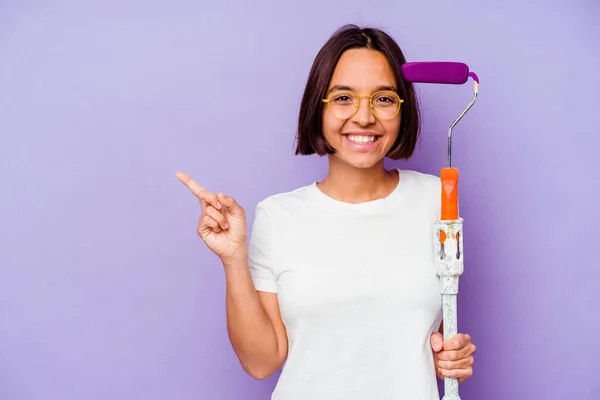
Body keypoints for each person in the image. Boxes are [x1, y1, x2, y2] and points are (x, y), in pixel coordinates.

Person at [176, 24, 476, 400]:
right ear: (318, 106)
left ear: (402, 109)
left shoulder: (437, 200)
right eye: (343, 98)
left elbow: (416, 337)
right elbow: (261, 362)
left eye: (383, 99)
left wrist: (449, 357)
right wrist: (233, 258)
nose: (364, 117)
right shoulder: (278, 216)